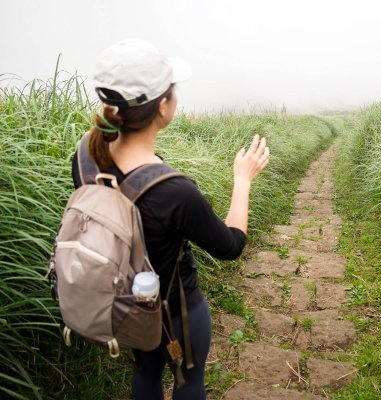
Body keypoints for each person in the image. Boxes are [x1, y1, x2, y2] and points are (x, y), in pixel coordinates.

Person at [71, 38, 269, 400]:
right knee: (188, 381)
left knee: (145, 376)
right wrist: (242, 180)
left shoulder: (85, 156)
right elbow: (230, 245)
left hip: (124, 304)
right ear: (163, 107)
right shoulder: (173, 191)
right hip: (177, 312)